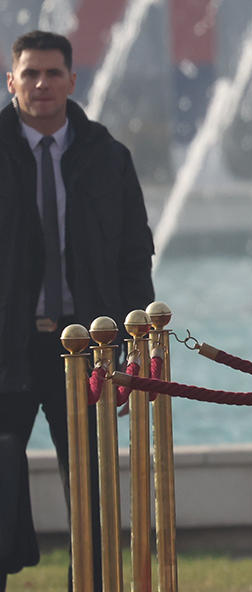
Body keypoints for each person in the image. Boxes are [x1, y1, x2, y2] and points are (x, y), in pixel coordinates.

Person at [0, 30, 155, 590]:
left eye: (52, 73)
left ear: (72, 80)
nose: (41, 84)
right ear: (11, 79)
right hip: (6, 350)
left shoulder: (107, 156)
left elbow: (135, 257)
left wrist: (135, 351)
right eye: (30, 73)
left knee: (90, 496)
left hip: (87, 352)